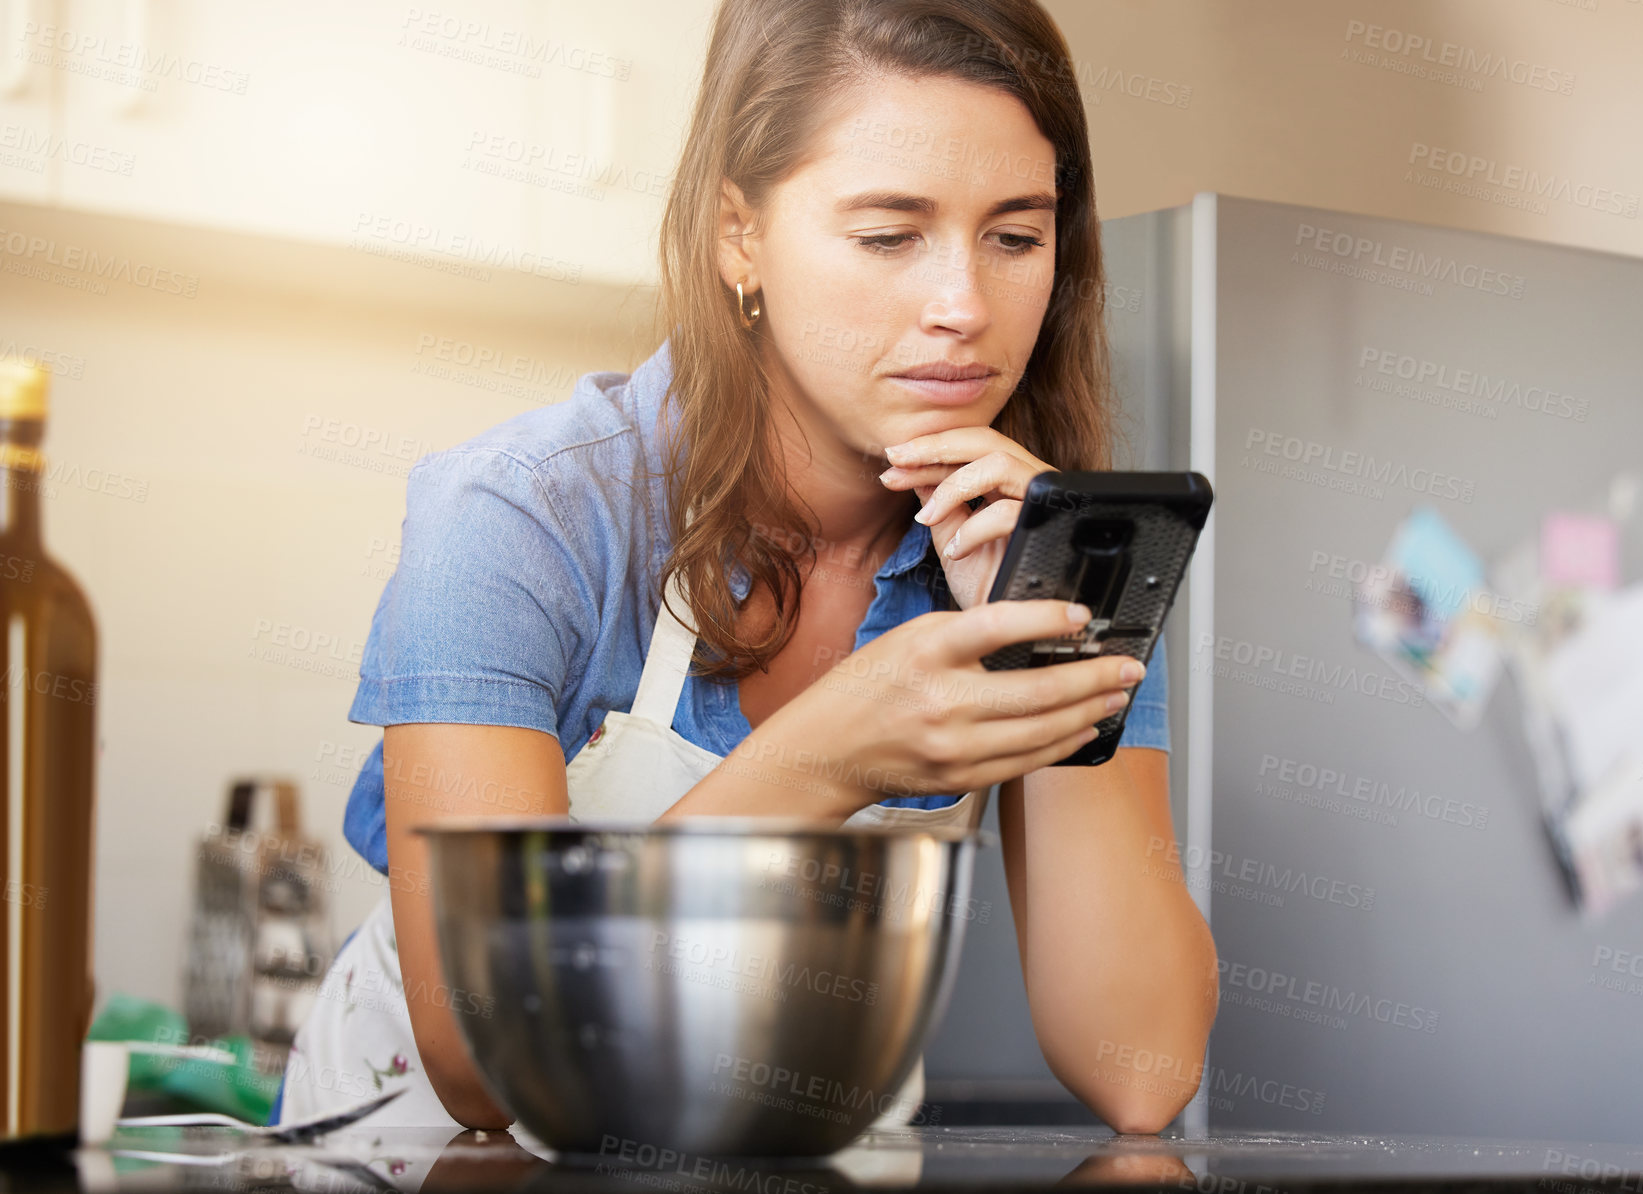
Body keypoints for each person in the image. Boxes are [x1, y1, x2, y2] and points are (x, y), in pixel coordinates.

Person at [273, 0, 1218, 1139]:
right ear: (738, 231)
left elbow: (1143, 1066)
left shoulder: (1046, 544)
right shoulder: (518, 517)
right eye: (886, 235)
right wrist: (824, 758)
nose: (963, 307)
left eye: (1014, 237)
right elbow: (481, 1052)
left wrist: (1053, 632)